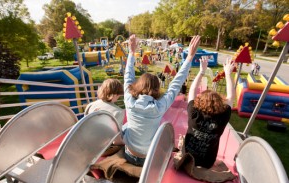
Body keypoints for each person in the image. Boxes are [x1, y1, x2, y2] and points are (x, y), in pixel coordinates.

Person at [122, 34, 200, 166]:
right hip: (148, 158)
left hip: (129, 154)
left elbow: (128, 76)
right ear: (157, 89)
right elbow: (176, 84)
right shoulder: (159, 106)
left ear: (138, 85)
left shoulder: (129, 100)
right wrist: (190, 57)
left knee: (126, 125)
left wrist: (131, 52)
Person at [184, 56, 235, 169]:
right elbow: (231, 96)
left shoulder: (193, 113)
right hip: (207, 163)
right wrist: (227, 73)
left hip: (187, 158)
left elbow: (192, 90)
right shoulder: (223, 116)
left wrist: (202, 71)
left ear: (200, 100)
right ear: (220, 103)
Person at [84, 78, 124, 144]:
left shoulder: (90, 105)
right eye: (119, 95)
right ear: (114, 95)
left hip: (88, 141)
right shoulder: (118, 111)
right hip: (104, 147)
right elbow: (116, 140)